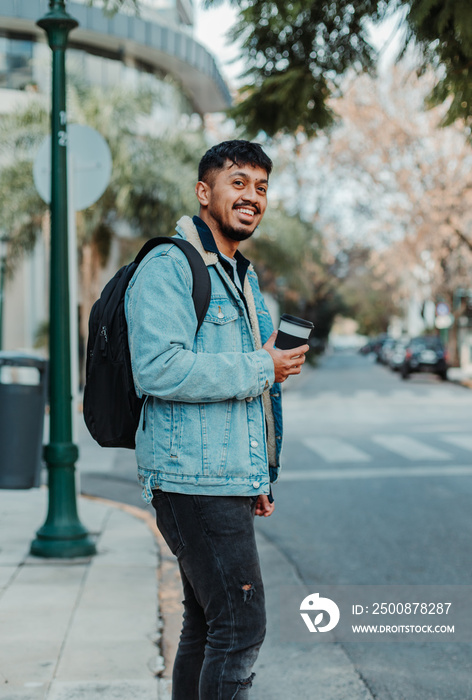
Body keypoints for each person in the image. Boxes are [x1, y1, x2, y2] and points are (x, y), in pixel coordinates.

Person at [125, 140, 309, 699]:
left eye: (261, 187)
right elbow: (159, 369)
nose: (251, 196)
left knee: (207, 626)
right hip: (190, 479)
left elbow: (251, 388)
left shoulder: (241, 277)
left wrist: (259, 476)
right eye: (238, 183)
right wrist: (262, 363)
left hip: (222, 477)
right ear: (204, 193)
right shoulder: (169, 266)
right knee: (241, 626)